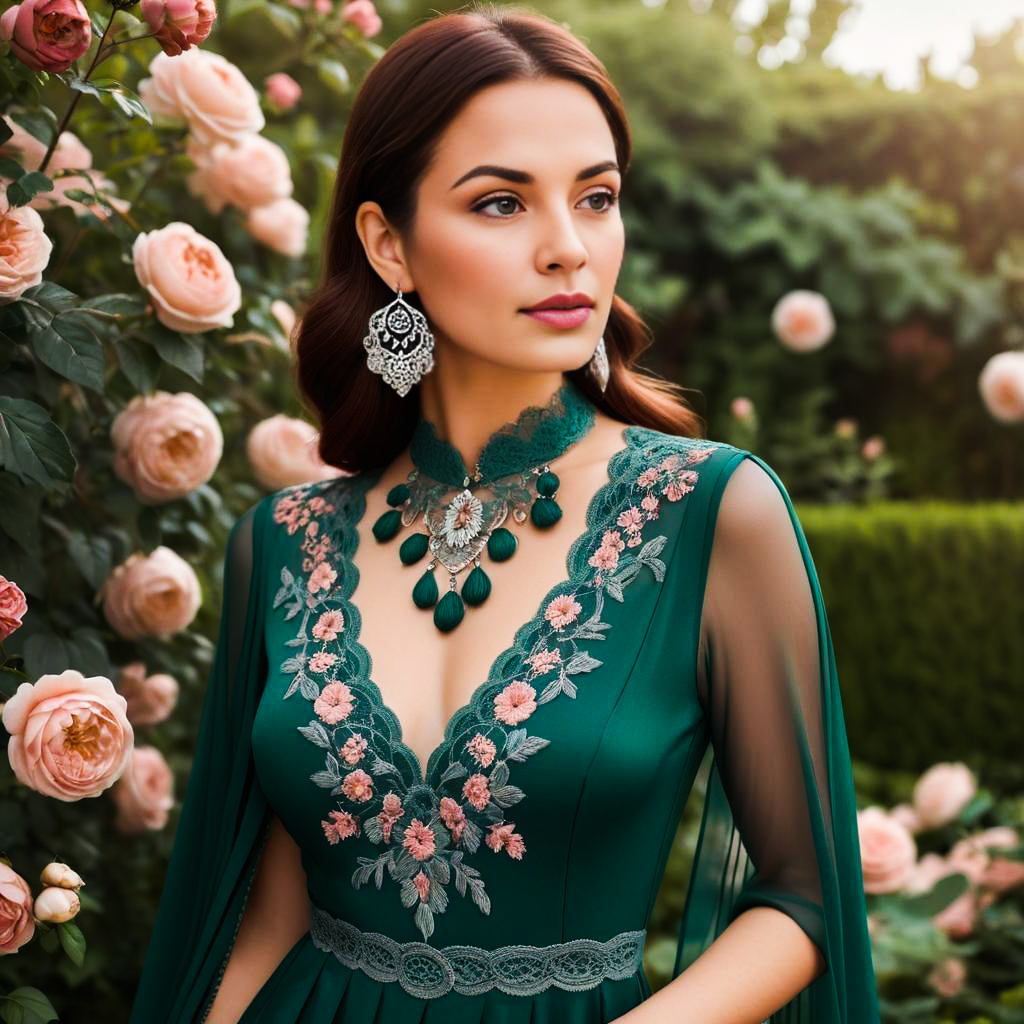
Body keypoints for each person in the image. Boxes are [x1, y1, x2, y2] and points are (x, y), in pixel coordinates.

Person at [128, 5, 881, 1022]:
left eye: (598, 197)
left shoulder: (712, 512)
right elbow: (270, 912)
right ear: (389, 244)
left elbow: (801, 900)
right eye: (500, 204)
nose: (569, 248)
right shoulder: (286, 541)